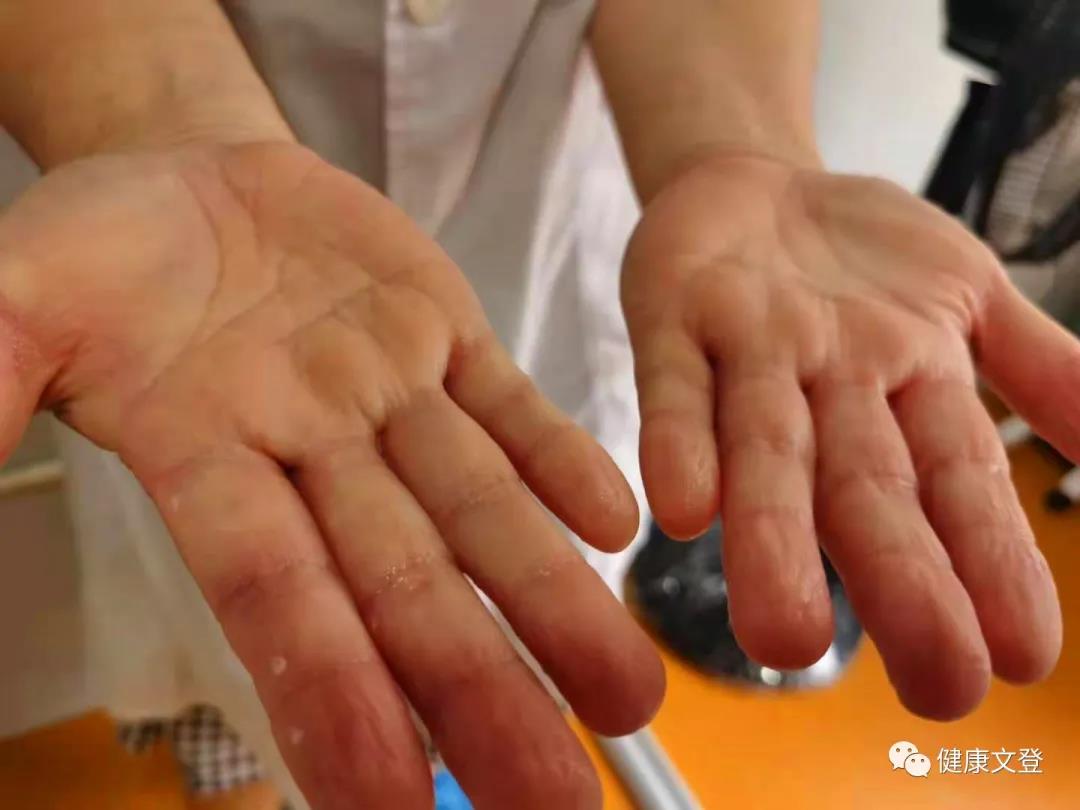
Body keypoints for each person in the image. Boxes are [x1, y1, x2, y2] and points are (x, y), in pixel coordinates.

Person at [0, 2, 1074, 808]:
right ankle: (236, 760)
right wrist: (156, 123)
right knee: (247, 633)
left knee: (520, 627)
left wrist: (733, 139)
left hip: (551, 254)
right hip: (187, 315)